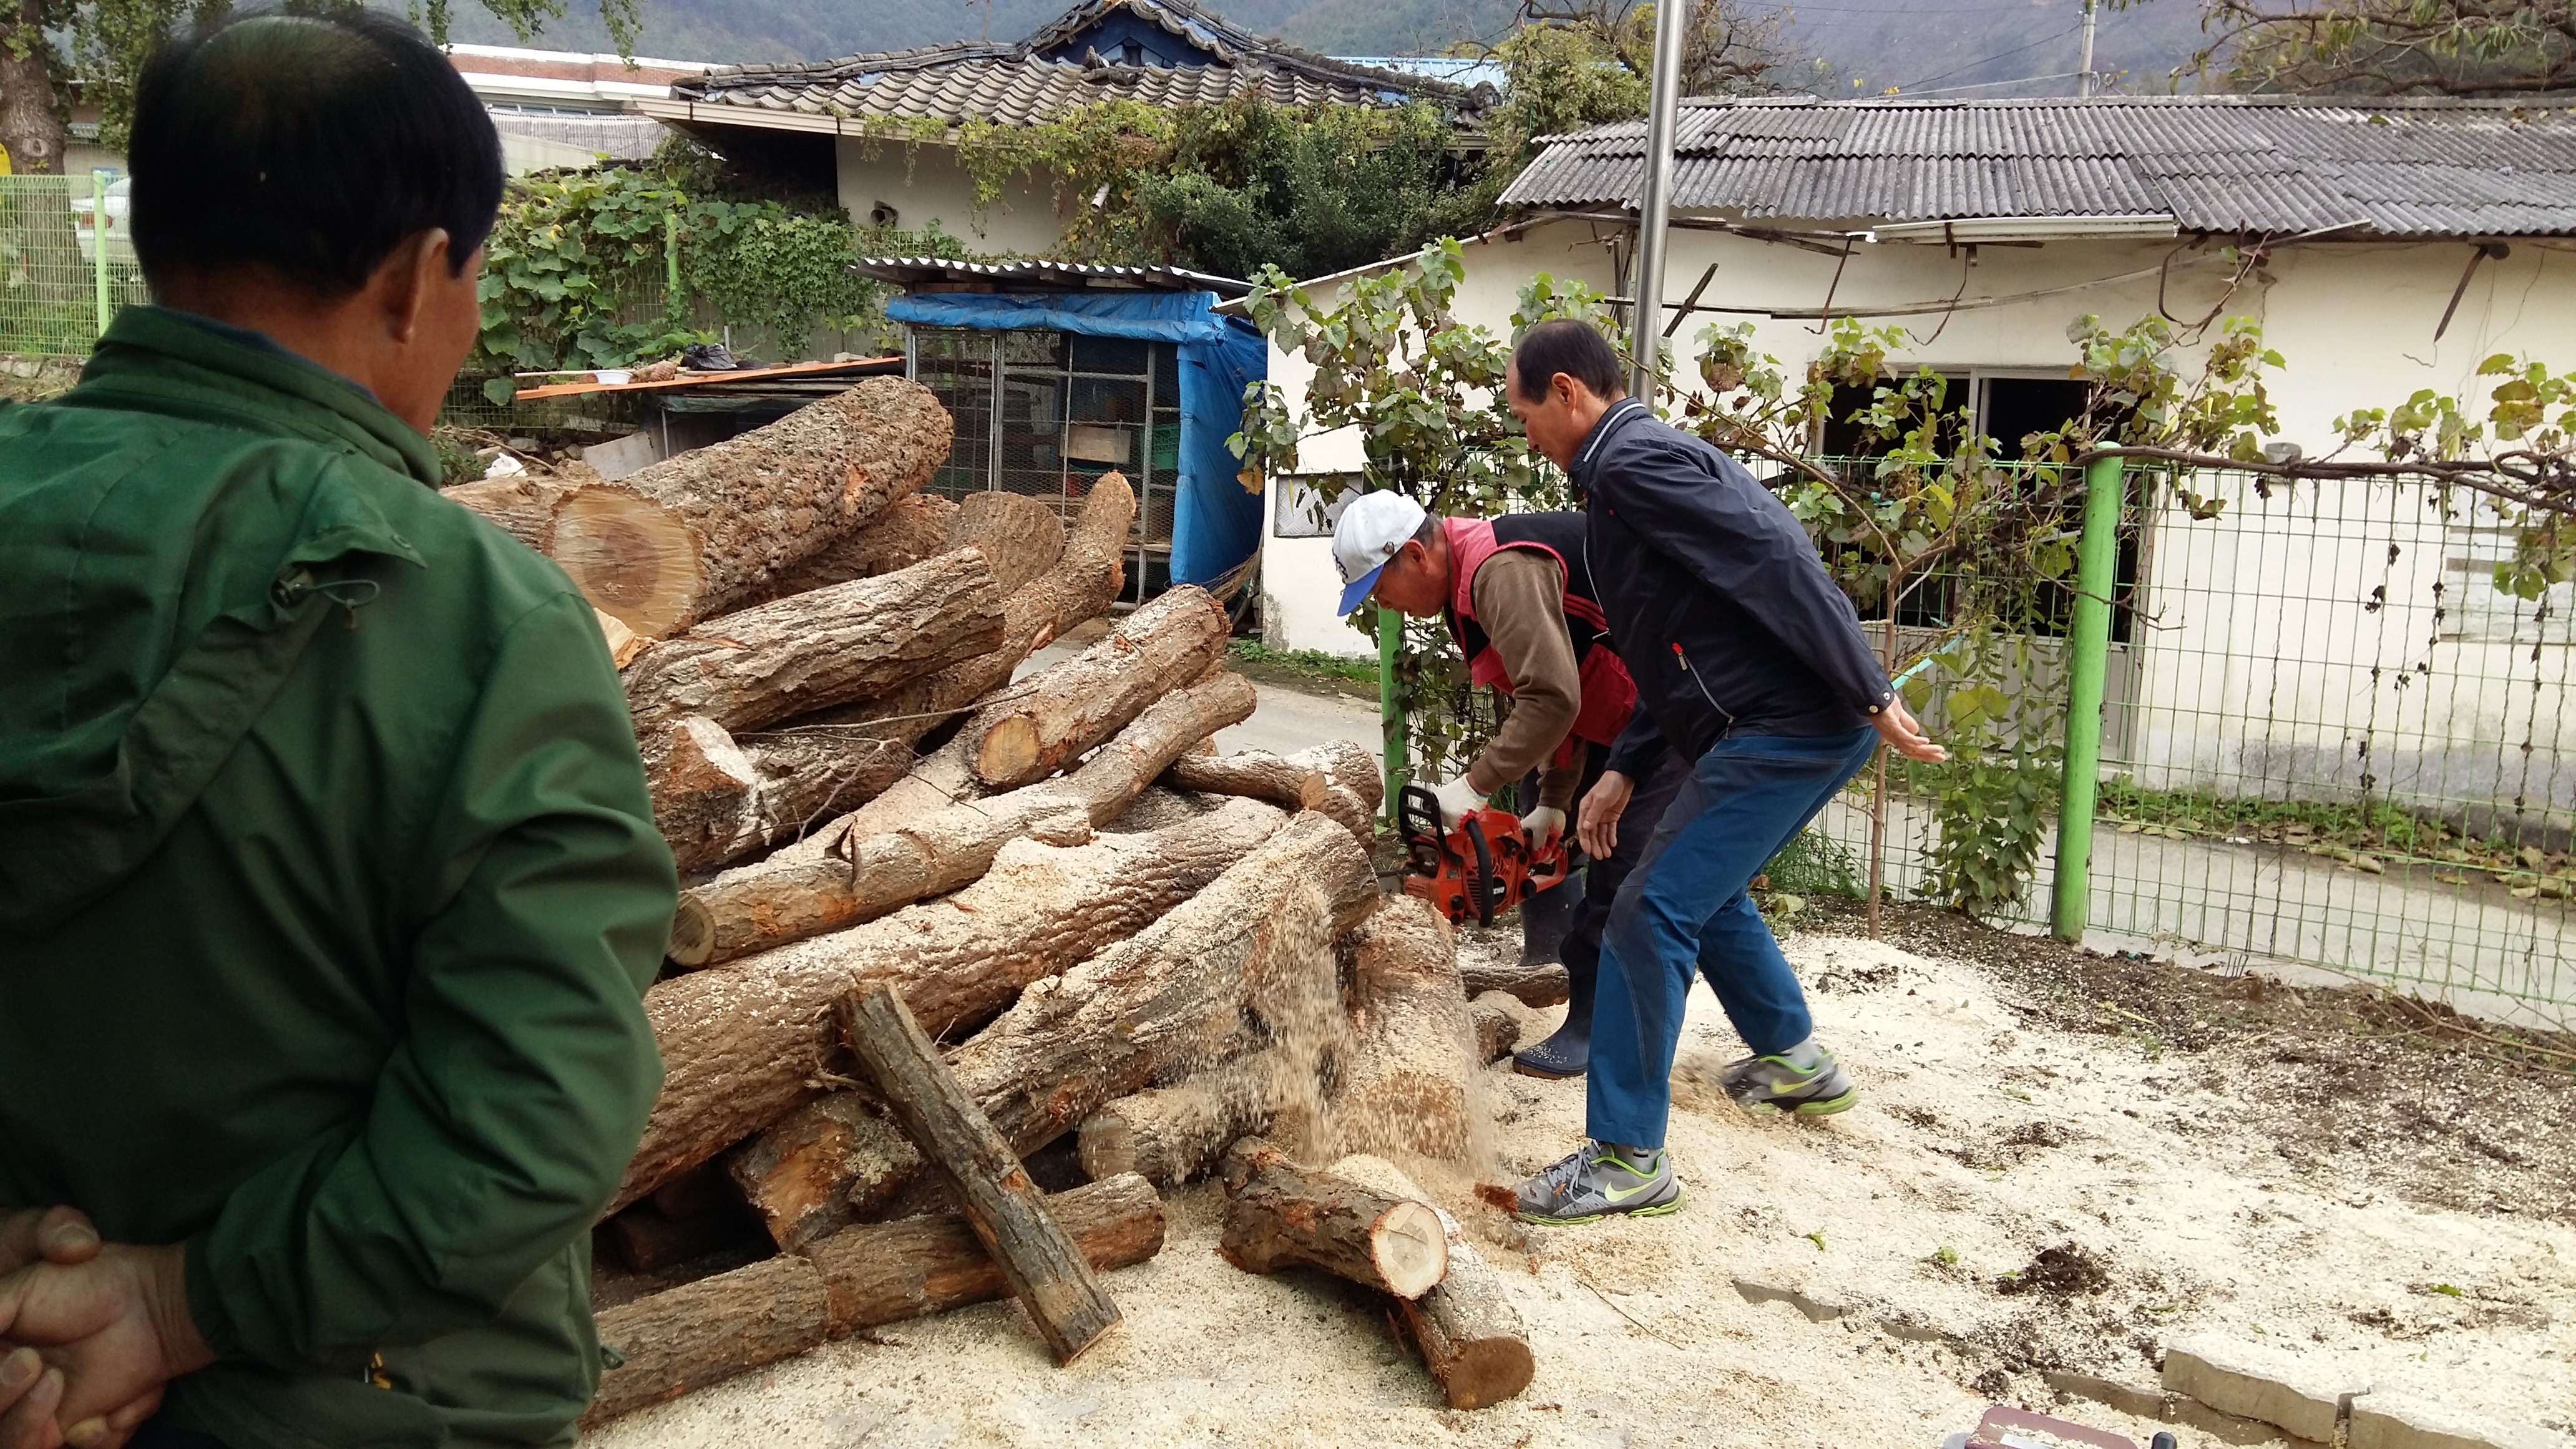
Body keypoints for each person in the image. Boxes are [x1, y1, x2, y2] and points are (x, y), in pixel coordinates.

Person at [0, 12, 675, 1449]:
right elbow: (529, 1124)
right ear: (418, 274)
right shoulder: (481, 618)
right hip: (363, 1403)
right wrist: (173, 1303)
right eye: (473, 279)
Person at [1499, 320, 1947, 1227]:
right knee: (1700, 889)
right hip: (1781, 719)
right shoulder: (1629, 471)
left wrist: (1863, 684)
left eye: (1523, 413)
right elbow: (1675, 650)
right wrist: (1623, 768)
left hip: (1788, 726)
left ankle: (1627, 1156)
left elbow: (1774, 554)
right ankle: (1794, 1061)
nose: (1525, 433)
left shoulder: (1630, 469)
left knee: (1646, 908)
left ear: (1565, 394)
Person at [1330, 491, 1686, 1079]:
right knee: (1708, 898)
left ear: (1416, 555)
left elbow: (1553, 698)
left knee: (1625, 881)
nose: (1383, 605)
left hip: (1666, 708)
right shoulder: (1465, 590)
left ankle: (1598, 1033)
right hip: (1620, 712)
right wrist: (1553, 801)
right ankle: (1787, 1040)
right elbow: (1557, 687)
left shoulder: (1500, 572)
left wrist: (1471, 786)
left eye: (1380, 588)